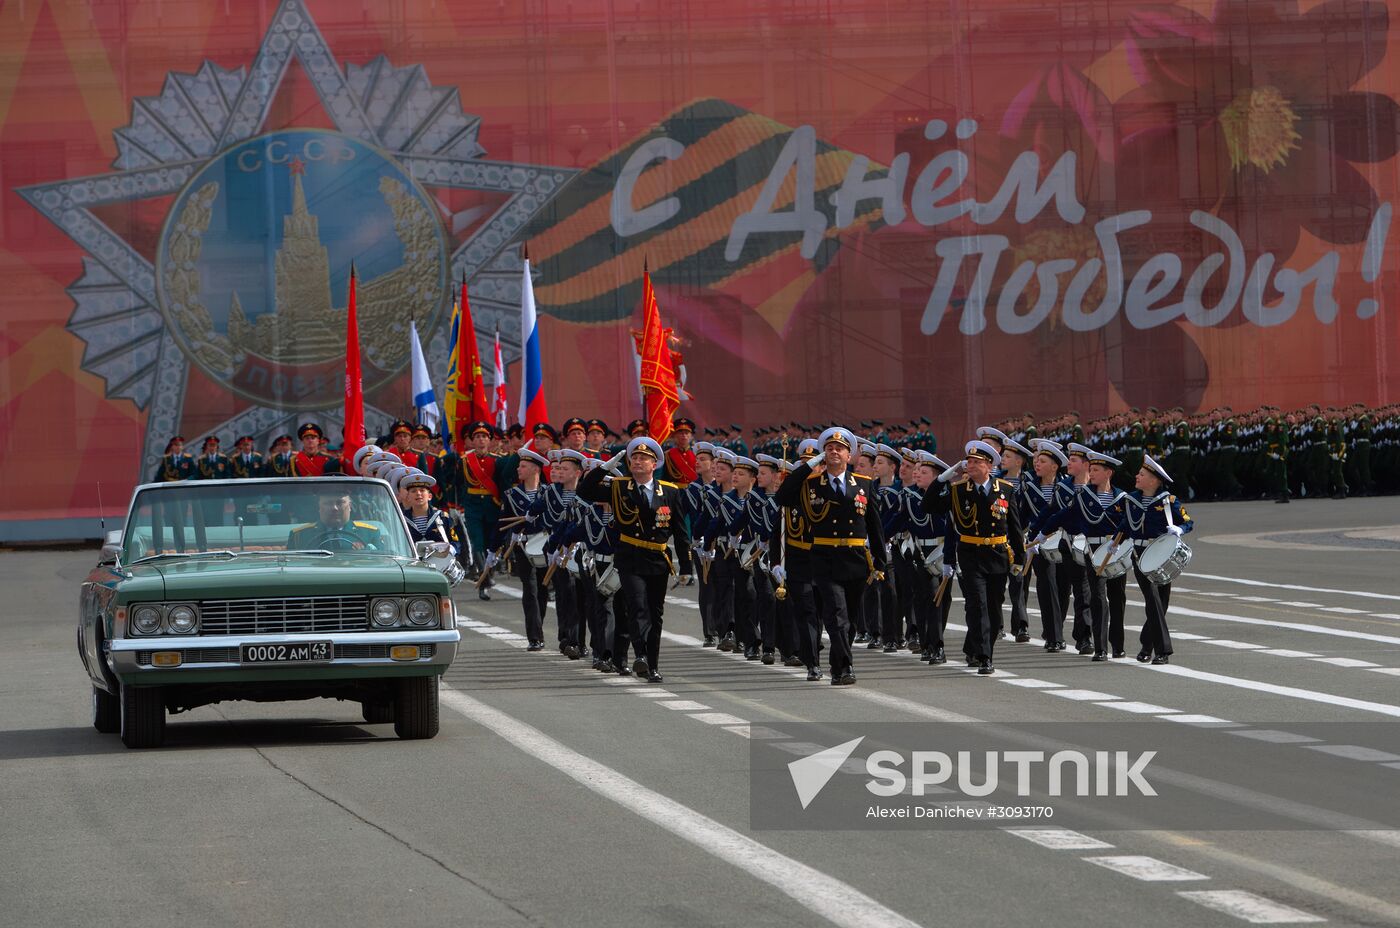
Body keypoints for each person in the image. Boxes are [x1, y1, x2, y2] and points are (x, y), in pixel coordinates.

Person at [773, 427, 886, 686]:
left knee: (851, 620)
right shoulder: (811, 484)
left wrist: (879, 562)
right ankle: (844, 668)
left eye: (840, 449)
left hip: (856, 557)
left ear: (850, 456)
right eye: (830, 448)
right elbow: (783, 496)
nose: (834, 451)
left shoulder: (864, 485)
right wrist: (810, 464)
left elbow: (875, 525)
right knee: (836, 615)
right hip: (824, 557)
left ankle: (839, 664)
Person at [577, 436, 693, 683]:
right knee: (636, 605)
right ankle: (639, 654)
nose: (638, 462)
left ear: (655, 464)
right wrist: (604, 468)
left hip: (658, 558)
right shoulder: (619, 487)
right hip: (629, 558)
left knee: (655, 613)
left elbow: (681, 532)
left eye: (644, 458)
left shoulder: (669, 492)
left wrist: (686, 565)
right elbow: (584, 491)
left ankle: (653, 665)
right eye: (635, 458)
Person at [1119, 455, 1192, 664]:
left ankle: (1146, 645)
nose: (1137, 477)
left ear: (1154, 481)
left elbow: (1188, 521)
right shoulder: (1131, 500)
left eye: (1142, 475)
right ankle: (1163, 651)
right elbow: (1125, 525)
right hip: (1140, 557)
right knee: (1152, 600)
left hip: (1162, 556)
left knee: (1161, 603)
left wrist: (1179, 528)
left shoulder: (1168, 501)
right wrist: (1114, 542)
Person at [501, 447, 552, 651]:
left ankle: (537, 626)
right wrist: (493, 549)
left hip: (545, 545)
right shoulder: (512, 494)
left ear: (534, 470)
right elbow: (502, 522)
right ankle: (535, 636)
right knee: (529, 588)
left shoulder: (549, 493)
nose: (518, 470)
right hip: (522, 545)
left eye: (523, 466)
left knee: (542, 589)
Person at [287, 489, 383, 551]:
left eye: (340, 502)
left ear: (350, 506)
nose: (335, 508)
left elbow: (383, 566)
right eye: (328, 503)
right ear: (319, 507)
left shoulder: (370, 533)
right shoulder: (299, 536)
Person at [400, 470, 460, 555]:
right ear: (408, 497)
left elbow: (456, 543)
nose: (418, 493)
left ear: (430, 496)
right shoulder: (401, 519)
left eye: (422, 490)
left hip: (440, 563)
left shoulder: (442, 517)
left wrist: (449, 551)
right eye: (413, 491)